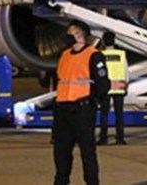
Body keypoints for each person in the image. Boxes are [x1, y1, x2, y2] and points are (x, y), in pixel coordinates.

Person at [53, 21, 109, 185]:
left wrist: (91, 101)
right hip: (62, 109)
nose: (67, 36)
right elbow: (59, 79)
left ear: (79, 34)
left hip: (82, 110)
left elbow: (102, 85)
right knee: (61, 152)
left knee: (87, 151)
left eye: (70, 32)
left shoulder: (94, 55)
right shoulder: (64, 55)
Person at [98, 31, 128, 145]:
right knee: (119, 114)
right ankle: (120, 138)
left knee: (104, 114)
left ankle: (103, 138)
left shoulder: (101, 55)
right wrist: (125, 85)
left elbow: (99, 72)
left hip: (105, 88)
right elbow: (126, 71)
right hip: (119, 88)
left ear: (103, 41)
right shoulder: (121, 54)